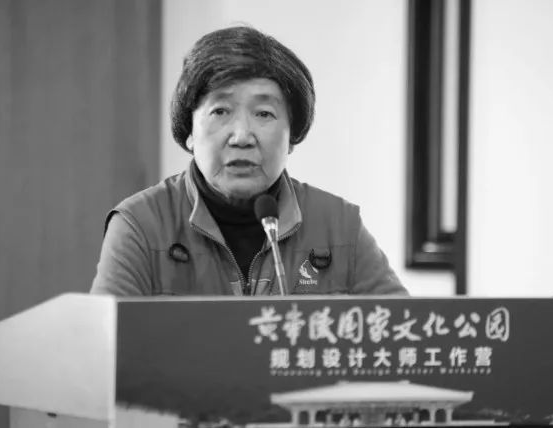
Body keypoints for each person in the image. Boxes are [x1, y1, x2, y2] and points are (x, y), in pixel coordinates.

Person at [90, 26, 407, 297]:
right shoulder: (140, 226)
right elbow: (103, 345)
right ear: (189, 132)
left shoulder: (339, 227)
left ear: (292, 136)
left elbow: (405, 333)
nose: (242, 136)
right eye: (220, 111)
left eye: (264, 114)